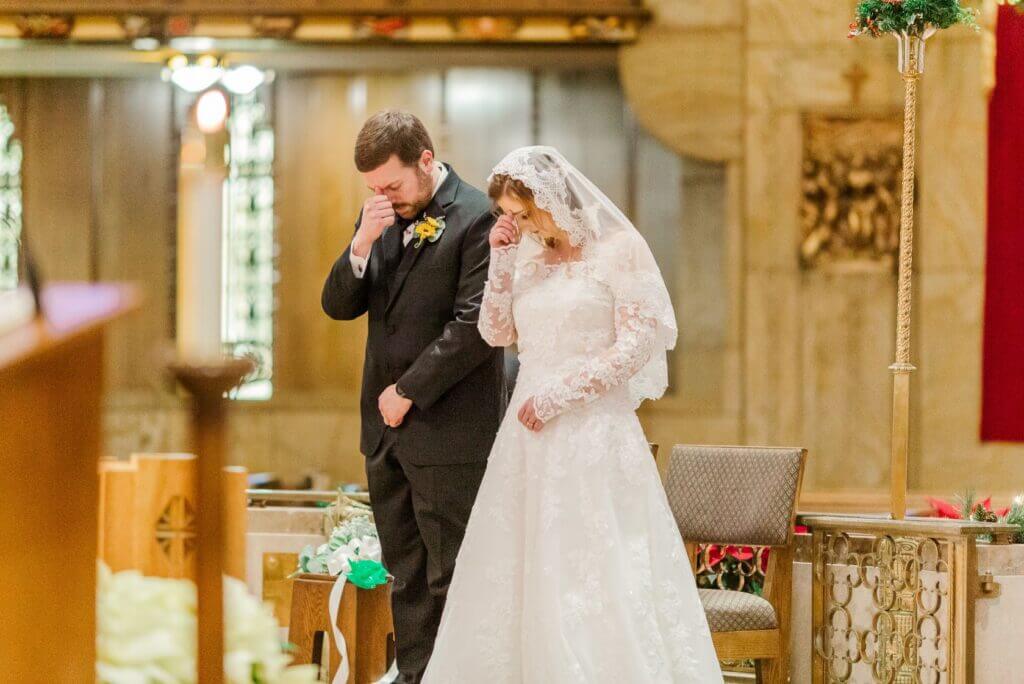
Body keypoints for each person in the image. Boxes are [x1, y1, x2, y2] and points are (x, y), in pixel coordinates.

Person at [423, 146, 724, 683]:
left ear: (553, 200)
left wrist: (561, 395)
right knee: (517, 568)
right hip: (527, 436)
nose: (517, 225)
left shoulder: (618, 250)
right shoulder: (527, 259)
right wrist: (499, 260)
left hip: (591, 429)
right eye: (507, 217)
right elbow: (496, 333)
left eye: (524, 213)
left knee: (595, 564)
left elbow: (637, 342)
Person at [321, 110, 505, 684]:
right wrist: (361, 242)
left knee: (453, 572)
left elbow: (475, 324)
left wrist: (408, 390)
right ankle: (417, 677)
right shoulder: (378, 216)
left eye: (393, 186)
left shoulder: (477, 216)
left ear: (426, 160)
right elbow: (337, 305)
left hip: (450, 430)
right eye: (373, 189)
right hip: (385, 435)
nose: (384, 197)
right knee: (407, 572)